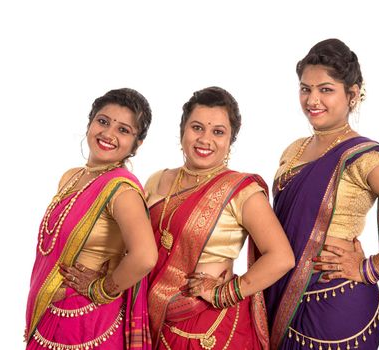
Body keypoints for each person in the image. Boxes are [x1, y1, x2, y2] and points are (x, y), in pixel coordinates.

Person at [266, 39, 379, 350]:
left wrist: (370, 268)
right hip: (285, 293)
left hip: (336, 303)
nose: (312, 99)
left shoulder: (363, 157)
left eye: (326, 89)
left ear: (352, 94)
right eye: (305, 88)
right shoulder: (293, 149)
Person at [145, 86, 295, 349]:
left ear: (230, 140)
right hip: (155, 316)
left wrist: (225, 292)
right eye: (197, 127)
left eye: (218, 132)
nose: (205, 139)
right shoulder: (158, 179)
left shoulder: (241, 191)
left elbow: (281, 257)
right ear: (182, 131)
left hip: (210, 323)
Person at [24, 88, 158, 349]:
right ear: (90, 123)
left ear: (136, 144)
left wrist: (102, 289)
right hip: (52, 313)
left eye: (123, 130)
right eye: (103, 121)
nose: (108, 134)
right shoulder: (71, 177)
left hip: (88, 322)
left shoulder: (122, 190)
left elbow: (145, 256)